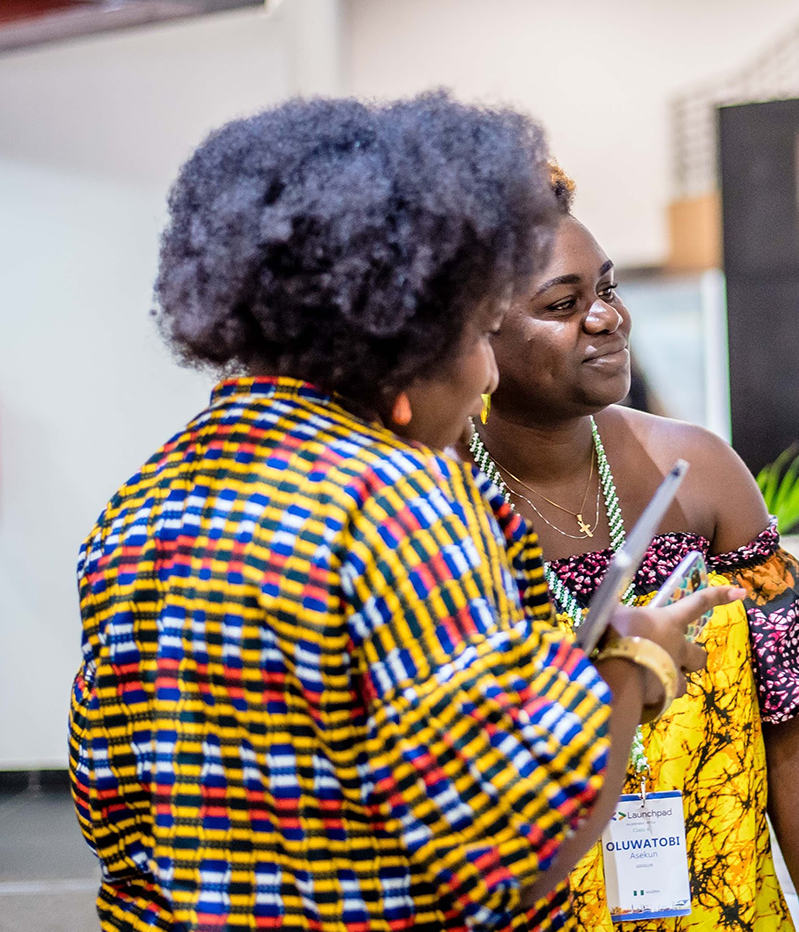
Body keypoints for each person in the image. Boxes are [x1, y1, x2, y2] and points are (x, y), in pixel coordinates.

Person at [67, 94, 736, 932]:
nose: (488, 376)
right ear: (402, 331)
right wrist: (633, 669)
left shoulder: (137, 511)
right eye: (476, 331)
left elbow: (116, 820)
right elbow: (512, 855)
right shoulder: (397, 505)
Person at [463, 166, 799, 932]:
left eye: (605, 290)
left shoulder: (701, 473)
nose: (606, 318)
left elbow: (793, 723)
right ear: (474, 341)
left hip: (728, 908)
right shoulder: (435, 511)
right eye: (563, 305)